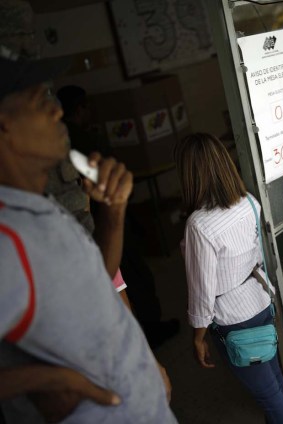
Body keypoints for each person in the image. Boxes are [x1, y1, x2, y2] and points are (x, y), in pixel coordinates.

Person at [0, 52, 175, 423]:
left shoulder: (37, 207)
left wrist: (112, 213)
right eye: (38, 102)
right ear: (4, 126)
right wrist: (43, 379)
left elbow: (94, 283)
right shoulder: (6, 241)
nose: (57, 112)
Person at [175, 133, 283, 423]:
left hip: (232, 318)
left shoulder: (198, 225)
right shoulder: (248, 202)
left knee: (270, 398)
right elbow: (258, 255)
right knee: (276, 386)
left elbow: (201, 289)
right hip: (259, 301)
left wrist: (198, 336)